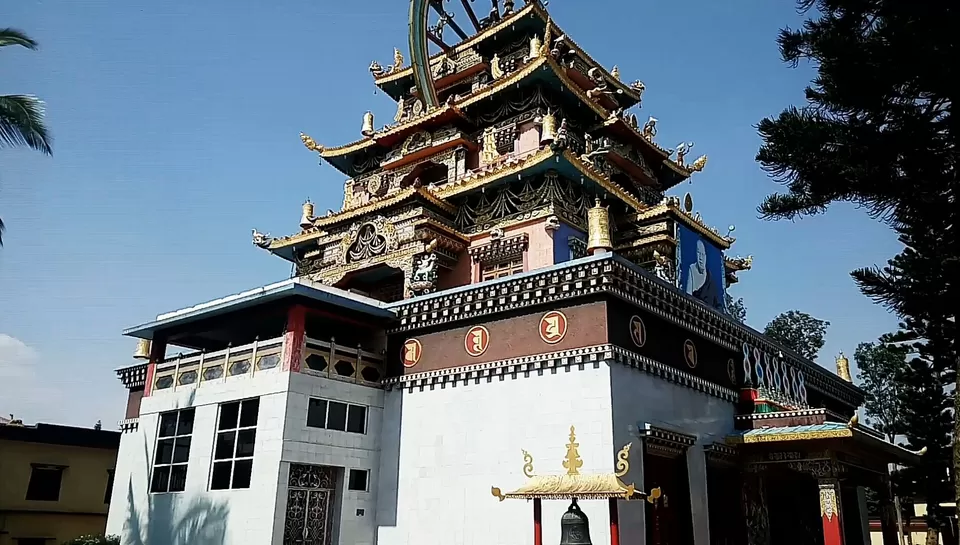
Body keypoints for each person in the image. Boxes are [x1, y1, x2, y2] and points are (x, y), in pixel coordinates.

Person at [685, 239, 722, 308]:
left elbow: (717, 303)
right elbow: (688, 295)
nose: (700, 258)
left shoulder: (710, 278)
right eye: (698, 253)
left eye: (703, 254)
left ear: (705, 256)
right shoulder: (692, 268)